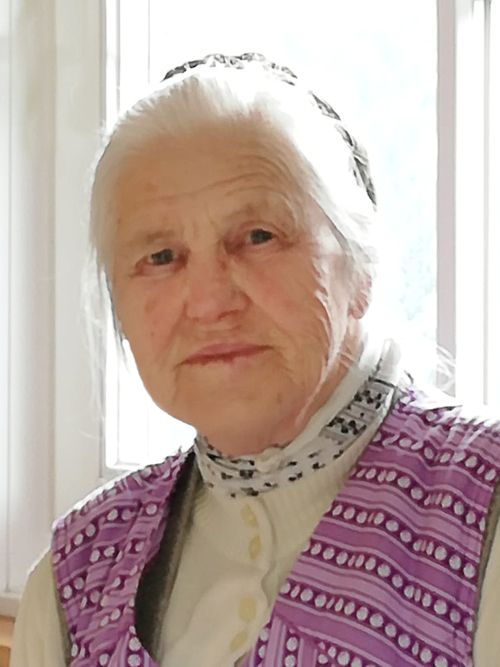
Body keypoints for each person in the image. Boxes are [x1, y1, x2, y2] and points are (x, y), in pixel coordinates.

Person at [10, 53, 500, 667]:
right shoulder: (74, 577)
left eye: (259, 237)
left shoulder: (483, 511)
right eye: (160, 257)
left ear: (362, 268)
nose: (209, 302)